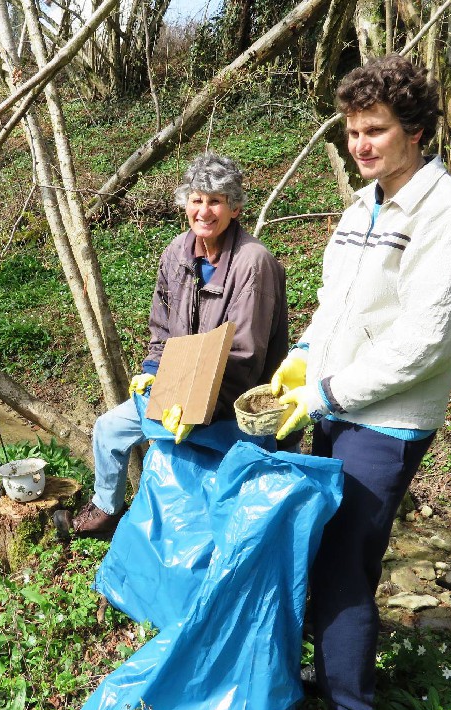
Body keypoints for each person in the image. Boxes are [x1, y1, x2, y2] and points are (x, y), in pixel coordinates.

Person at [269, 55, 451, 710]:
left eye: (377, 130)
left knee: (342, 569)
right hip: (335, 402)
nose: (361, 144)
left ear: (417, 131)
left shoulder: (447, 215)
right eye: (352, 131)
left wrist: (325, 393)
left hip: (387, 421)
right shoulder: (361, 207)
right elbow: (338, 306)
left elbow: (426, 341)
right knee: (324, 557)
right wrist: (301, 354)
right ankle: (336, 679)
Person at [67, 152, 288, 539]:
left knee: (185, 473)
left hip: (232, 406)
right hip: (175, 392)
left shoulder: (254, 264)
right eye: (197, 199)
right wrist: (152, 376)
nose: (204, 211)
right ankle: (106, 510)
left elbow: (246, 358)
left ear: (235, 208)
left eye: (215, 201)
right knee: (108, 428)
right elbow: (161, 330)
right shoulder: (177, 252)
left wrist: (196, 408)